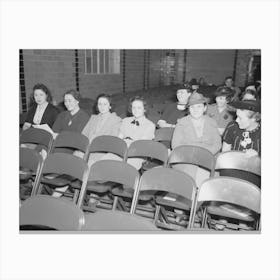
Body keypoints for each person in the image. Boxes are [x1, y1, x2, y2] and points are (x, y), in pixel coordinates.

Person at [172, 92, 222, 186]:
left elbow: (217, 144)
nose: (195, 110)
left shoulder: (212, 122)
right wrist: (193, 155)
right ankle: (189, 194)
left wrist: (203, 155)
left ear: (205, 108)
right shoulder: (181, 123)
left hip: (208, 157)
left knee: (210, 179)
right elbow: (175, 145)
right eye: (192, 107)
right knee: (191, 175)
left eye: (199, 106)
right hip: (186, 159)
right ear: (188, 109)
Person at [104, 96, 155, 170]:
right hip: (121, 150)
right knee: (104, 161)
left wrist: (125, 145)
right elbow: (120, 137)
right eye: (133, 107)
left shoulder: (150, 125)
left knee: (121, 169)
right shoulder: (125, 120)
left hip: (136, 154)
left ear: (145, 109)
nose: (136, 110)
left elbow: (140, 145)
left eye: (139, 108)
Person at [80, 93, 122, 165]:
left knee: (89, 164)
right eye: (100, 104)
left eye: (105, 104)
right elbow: (83, 135)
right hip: (87, 148)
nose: (102, 107)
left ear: (110, 106)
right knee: (75, 157)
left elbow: (112, 140)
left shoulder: (116, 120)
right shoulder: (93, 118)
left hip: (101, 151)